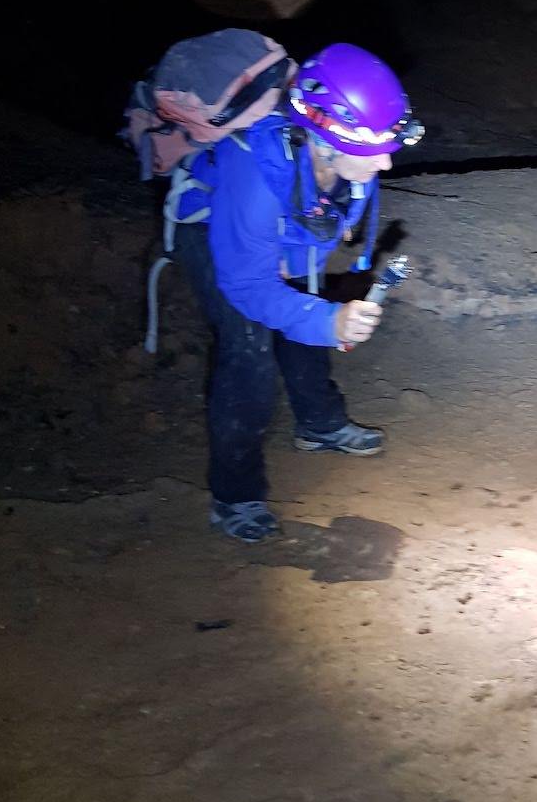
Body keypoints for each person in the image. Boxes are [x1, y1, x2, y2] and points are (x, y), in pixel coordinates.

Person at [172, 42, 423, 543]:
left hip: (286, 226)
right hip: (214, 229)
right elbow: (249, 285)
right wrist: (329, 322)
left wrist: (319, 315)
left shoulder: (342, 160)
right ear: (326, 139)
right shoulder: (254, 174)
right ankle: (235, 497)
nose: (386, 165)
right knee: (249, 354)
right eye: (375, 151)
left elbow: (323, 230)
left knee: (304, 309)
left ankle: (318, 424)